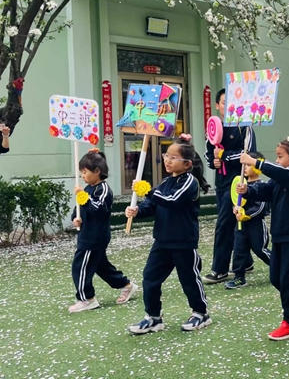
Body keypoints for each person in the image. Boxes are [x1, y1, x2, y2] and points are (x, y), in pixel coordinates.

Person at [126, 135, 212, 334]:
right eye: (167, 155)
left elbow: (171, 200)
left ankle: (201, 313)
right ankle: (153, 317)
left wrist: (147, 191)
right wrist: (138, 211)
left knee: (189, 279)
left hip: (183, 242)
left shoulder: (190, 183)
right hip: (162, 241)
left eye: (174, 158)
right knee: (150, 277)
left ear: (187, 164)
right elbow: (154, 205)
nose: (168, 160)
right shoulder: (166, 181)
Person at [236, 137, 289, 341]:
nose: (277, 161)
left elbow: (282, 174)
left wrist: (256, 162)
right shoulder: (279, 179)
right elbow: (265, 190)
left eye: (280, 157)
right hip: (279, 235)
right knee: (276, 278)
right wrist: (247, 191)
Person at [69, 149, 137, 312]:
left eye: (85, 172)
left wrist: (83, 197)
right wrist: (76, 218)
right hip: (86, 233)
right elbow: (79, 208)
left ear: (97, 171)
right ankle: (126, 285)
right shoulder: (87, 189)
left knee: (80, 266)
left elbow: (98, 209)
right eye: (81, 172)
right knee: (100, 266)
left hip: (95, 237)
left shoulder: (104, 190)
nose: (83, 176)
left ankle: (87, 298)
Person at [203, 89, 256, 284]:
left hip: (238, 183)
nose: (229, 106)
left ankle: (220, 269)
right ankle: (246, 261)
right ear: (217, 105)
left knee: (224, 225)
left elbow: (249, 154)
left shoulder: (245, 128)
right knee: (233, 222)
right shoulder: (213, 127)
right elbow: (209, 153)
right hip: (221, 184)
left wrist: (224, 156)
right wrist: (214, 162)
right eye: (225, 102)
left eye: (233, 102)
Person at [225, 151, 271, 290]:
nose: (245, 168)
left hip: (256, 224)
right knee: (239, 249)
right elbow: (236, 201)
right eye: (244, 165)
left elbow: (261, 206)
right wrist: (235, 209)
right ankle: (239, 277)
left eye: (248, 165)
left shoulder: (261, 186)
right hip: (241, 225)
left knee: (260, 249)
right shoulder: (240, 185)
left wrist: (248, 215)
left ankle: (279, 266)